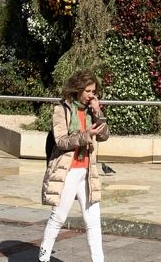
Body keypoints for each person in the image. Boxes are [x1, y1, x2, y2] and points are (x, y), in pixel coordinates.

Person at [39, 69, 110, 262]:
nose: (91, 95)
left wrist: (98, 113)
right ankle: (43, 257)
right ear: (77, 89)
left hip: (87, 171)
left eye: (93, 91)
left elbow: (103, 136)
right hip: (68, 170)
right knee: (58, 218)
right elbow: (61, 141)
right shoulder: (61, 109)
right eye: (88, 91)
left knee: (93, 221)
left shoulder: (90, 111)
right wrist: (86, 135)